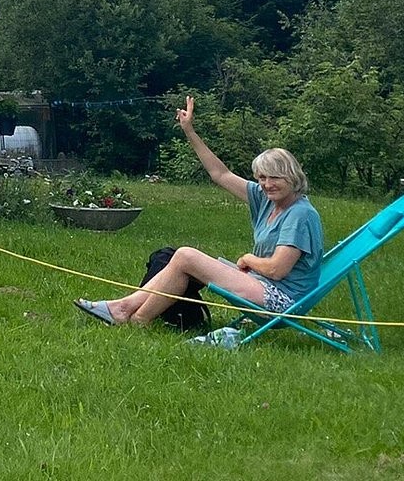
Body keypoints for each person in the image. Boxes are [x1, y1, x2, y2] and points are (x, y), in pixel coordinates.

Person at [75, 96, 322, 327]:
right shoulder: (266, 197)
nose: (267, 184)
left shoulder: (300, 214)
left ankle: (129, 314)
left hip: (280, 300)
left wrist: (247, 260)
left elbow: (277, 270)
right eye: (262, 178)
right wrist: (189, 131)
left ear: (291, 177)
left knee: (185, 256)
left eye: (275, 178)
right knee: (180, 260)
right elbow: (220, 174)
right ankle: (132, 316)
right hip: (261, 284)